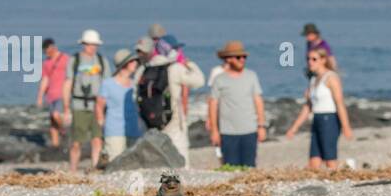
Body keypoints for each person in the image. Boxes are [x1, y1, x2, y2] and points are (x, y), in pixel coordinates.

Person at [285, 47, 353, 169]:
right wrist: (294, 128)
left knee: (330, 160)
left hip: (329, 120)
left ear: (323, 60)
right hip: (316, 119)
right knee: (313, 162)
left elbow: (339, 103)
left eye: (314, 59)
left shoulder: (331, 77)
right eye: (308, 59)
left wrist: (346, 127)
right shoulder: (313, 79)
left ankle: (344, 172)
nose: (310, 62)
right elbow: (308, 107)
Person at [144, 35, 206, 166]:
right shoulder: (175, 68)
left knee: (159, 159)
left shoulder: (145, 69)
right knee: (181, 158)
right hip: (173, 120)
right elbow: (199, 81)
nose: (178, 52)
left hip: (150, 121)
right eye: (176, 49)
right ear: (170, 50)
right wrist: (188, 63)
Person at [208, 41, 265, 168]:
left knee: (250, 167)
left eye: (244, 57)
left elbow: (258, 101)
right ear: (228, 59)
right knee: (229, 168)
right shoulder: (219, 79)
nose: (242, 60)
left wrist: (261, 125)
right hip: (228, 132)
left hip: (250, 130)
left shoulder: (251, 76)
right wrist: (214, 130)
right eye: (238, 57)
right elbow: (213, 104)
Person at [63, 29, 110, 172]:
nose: (93, 47)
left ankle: (95, 168)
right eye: (90, 44)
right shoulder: (75, 60)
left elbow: (107, 85)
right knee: (77, 141)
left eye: (95, 44)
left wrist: (105, 106)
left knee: (97, 139)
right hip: (78, 104)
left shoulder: (102, 61)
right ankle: (73, 169)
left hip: (97, 105)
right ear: (84, 44)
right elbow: (68, 83)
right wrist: (66, 108)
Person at [97, 49, 142, 160]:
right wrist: (102, 125)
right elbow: (99, 106)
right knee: (115, 163)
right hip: (114, 130)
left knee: (133, 164)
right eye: (132, 61)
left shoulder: (134, 84)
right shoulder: (108, 84)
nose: (135, 63)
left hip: (133, 129)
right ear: (124, 64)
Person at [36, 38, 70, 148]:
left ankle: (64, 130)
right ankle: (56, 146)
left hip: (63, 93)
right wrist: (40, 96)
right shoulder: (46, 63)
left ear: (52, 47)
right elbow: (45, 80)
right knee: (52, 122)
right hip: (50, 95)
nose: (45, 52)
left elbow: (72, 76)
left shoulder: (66, 59)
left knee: (56, 115)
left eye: (46, 50)